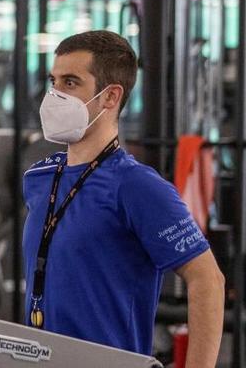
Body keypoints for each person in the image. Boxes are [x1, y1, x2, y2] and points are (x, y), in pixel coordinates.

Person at [23, 30, 224, 365]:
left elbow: (208, 280)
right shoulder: (40, 177)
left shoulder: (136, 186)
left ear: (110, 97)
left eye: (70, 83)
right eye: (53, 81)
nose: (55, 95)